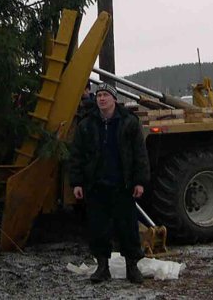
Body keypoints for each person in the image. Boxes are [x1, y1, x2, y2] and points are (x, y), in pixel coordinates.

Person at [68, 83, 150, 284]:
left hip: (122, 185)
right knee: (98, 229)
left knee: (128, 228)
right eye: (99, 96)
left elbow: (140, 155)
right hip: (96, 185)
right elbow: (77, 156)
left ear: (114, 99)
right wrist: (77, 182)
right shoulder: (86, 125)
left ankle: (132, 267)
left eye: (105, 95)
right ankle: (102, 267)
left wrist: (139, 181)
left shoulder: (129, 123)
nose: (101, 99)